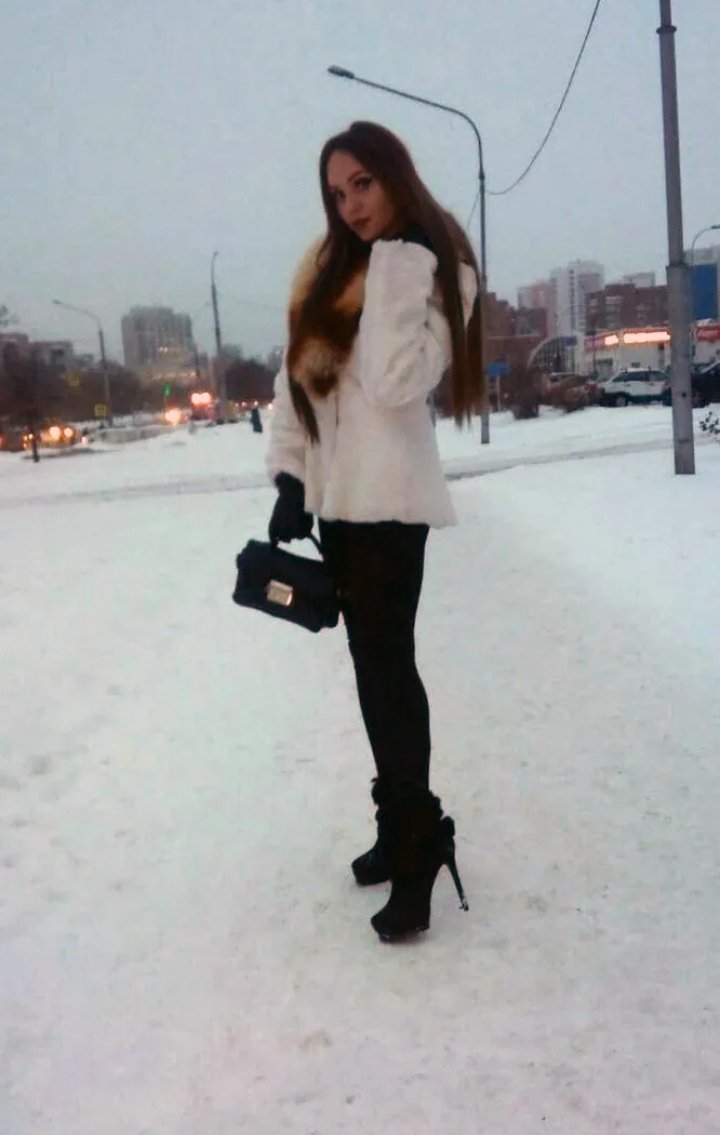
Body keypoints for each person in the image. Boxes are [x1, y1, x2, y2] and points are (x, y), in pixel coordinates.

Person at [266, 120, 484, 942]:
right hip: (337, 505)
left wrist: (395, 263)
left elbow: (395, 383)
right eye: (337, 192)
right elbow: (296, 383)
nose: (351, 204)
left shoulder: (437, 270)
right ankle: (399, 829)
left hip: (391, 504)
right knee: (370, 670)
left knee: (391, 672)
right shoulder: (327, 270)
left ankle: (420, 842)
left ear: (395, 175)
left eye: (363, 183)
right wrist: (291, 476)